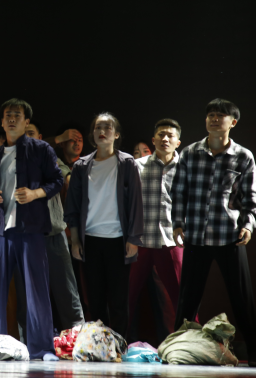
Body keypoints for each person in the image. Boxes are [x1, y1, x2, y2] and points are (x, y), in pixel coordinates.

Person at [172, 99, 256, 367]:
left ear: (232, 122)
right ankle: (176, 349)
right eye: (210, 114)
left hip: (229, 236)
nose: (213, 119)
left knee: (242, 298)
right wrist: (178, 223)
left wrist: (248, 225)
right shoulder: (190, 153)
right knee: (187, 299)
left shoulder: (243, 156)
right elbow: (179, 192)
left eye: (220, 115)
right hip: (196, 236)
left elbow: (252, 198)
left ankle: (254, 353)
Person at [0, 99, 63, 361]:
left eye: (17, 115)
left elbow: (57, 180)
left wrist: (35, 193)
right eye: (8, 115)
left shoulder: (41, 149)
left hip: (31, 229)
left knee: (36, 289)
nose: (12, 119)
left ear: (26, 121)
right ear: (1, 121)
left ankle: (42, 349)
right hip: (0, 230)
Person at [65, 112, 144, 338]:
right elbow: (73, 206)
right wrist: (76, 240)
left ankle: (118, 344)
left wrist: (133, 238)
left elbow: (136, 204)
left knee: (118, 300)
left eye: (108, 127)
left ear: (116, 134)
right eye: (98, 127)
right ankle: (98, 344)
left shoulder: (127, 163)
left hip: (118, 240)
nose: (102, 131)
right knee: (95, 299)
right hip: (90, 240)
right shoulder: (81, 166)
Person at [14, 120, 84, 340]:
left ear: (40, 137)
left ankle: (78, 341)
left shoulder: (49, 156)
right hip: (24, 236)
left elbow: (65, 176)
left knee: (67, 291)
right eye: (24, 134)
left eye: (31, 133)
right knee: (27, 294)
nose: (27, 137)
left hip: (53, 232)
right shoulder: (11, 159)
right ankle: (29, 342)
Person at [128, 122, 184, 344]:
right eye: (161, 135)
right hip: (139, 240)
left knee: (181, 296)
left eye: (170, 135)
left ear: (178, 142)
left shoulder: (185, 167)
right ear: (153, 140)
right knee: (127, 295)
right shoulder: (136, 166)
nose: (165, 139)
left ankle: (189, 343)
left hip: (171, 240)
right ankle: (116, 342)